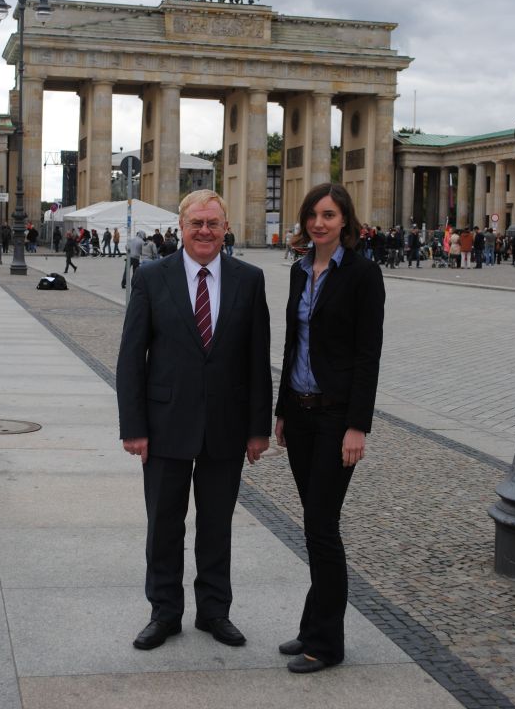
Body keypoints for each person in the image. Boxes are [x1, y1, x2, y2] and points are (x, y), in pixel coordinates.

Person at [116, 189, 272, 651]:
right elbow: (131, 358)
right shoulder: (151, 277)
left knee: (217, 524)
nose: (205, 231)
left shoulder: (250, 279)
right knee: (164, 524)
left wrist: (258, 428)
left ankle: (214, 611)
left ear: (226, 228)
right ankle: (164, 612)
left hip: (226, 424)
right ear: (181, 228)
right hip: (164, 424)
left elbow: (257, 359)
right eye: (197, 223)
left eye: (213, 223)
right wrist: (134, 427)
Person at [274, 183, 385, 675]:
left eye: (328, 215)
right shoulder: (300, 272)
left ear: (346, 221)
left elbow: (367, 357)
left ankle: (327, 644)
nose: (319, 223)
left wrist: (357, 426)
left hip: (335, 417)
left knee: (323, 526)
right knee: (314, 523)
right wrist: (280, 409)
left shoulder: (363, 274)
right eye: (312, 215)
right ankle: (311, 624)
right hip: (299, 413)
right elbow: (292, 344)